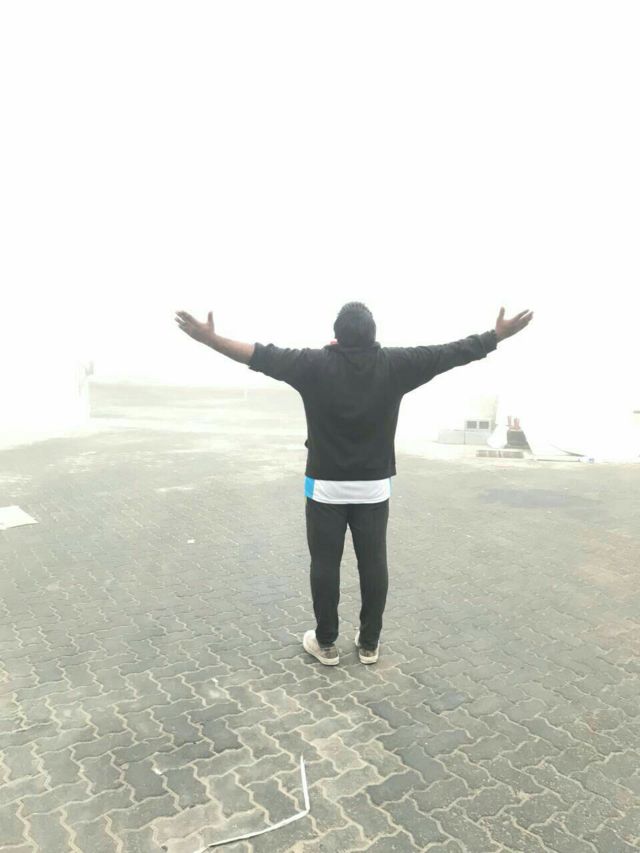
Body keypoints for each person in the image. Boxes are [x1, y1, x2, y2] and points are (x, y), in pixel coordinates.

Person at [175, 303, 533, 666]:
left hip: (324, 488)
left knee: (325, 564)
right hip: (373, 488)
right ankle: (369, 643)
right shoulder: (395, 364)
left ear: (337, 335)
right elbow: (451, 353)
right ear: (373, 334)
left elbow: (257, 355)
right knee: (373, 563)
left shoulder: (312, 365)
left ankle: (326, 643)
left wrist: (210, 339)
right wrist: (496, 335)